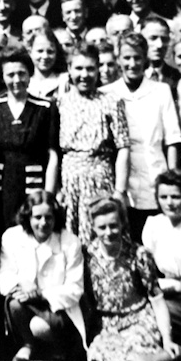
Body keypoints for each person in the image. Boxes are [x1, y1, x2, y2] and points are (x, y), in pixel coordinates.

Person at [84, 197, 181, 361]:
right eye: (102, 227)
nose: (108, 232)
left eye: (113, 225)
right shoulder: (87, 256)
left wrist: (167, 339)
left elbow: (157, 300)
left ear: (122, 224)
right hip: (107, 324)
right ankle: (169, 359)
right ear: (92, 227)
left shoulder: (139, 254)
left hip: (139, 320)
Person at [101, 32, 181, 242]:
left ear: (145, 58)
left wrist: (171, 180)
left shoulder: (161, 91)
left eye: (137, 57)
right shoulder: (106, 93)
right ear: (118, 59)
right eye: (127, 58)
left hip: (155, 177)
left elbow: (172, 140)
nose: (132, 63)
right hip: (120, 182)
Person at [0, 191, 86, 361]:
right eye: (37, 217)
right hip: (27, 303)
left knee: (40, 326)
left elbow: (75, 289)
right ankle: (27, 345)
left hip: (58, 308)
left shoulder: (70, 242)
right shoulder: (12, 236)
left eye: (49, 217)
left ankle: (60, 347)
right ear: (27, 217)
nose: (43, 223)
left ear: (56, 218)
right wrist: (21, 283)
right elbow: (4, 276)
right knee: (14, 304)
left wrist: (41, 294)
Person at [0, 47, 59, 238]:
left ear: (30, 74)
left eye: (22, 73)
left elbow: (53, 154)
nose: (16, 80)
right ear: (2, 76)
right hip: (0, 189)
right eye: (10, 74)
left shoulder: (45, 108)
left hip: (33, 187)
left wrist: (47, 197)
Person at [55, 44, 130, 241]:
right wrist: (56, 188)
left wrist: (120, 191)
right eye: (78, 68)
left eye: (90, 68)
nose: (84, 74)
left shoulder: (112, 101)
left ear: (98, 70)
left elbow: (123, 147)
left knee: (101, 234)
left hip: (100, 179)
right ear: (69, 69)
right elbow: (53, 150)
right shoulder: (60, 102)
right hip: (69, 181)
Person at [140, 171, 181, 350]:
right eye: (163, 197)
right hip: (163, 289)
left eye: (175, 197)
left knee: (160, 312)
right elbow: (148, 271)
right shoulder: (153, 224)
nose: (169, 203)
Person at [141, 16, 179, 94]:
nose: (160, 45)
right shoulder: (130, 73)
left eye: (164, 39)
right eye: (153, 38)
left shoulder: (177, 77)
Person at [27, 28, 68, 98]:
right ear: (30, 52)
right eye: (40, 51)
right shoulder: (26, 83)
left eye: (50, 52)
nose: (45, 56)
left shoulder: (64, 81)